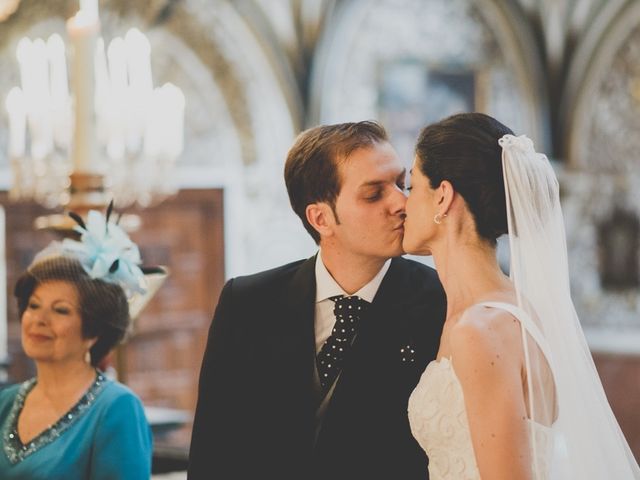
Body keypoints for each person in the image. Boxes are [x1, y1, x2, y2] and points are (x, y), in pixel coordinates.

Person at [188, 121, 447, 479]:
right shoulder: (246, 302)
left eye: (401, 184)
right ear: (321, 218)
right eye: (374, 194)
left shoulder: (440, 302)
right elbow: (212, 452)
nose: (401, 203)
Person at [404, 112, 640, 479]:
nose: (403, 204)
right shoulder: (498, 312)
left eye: (412, 186)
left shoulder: (481, 329)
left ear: (443, 197)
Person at [0, 209, 153, 479]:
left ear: (94, 331)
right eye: (33, 306)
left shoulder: (117, 408)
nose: (39, 320)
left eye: (60, 310)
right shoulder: (6, 403)